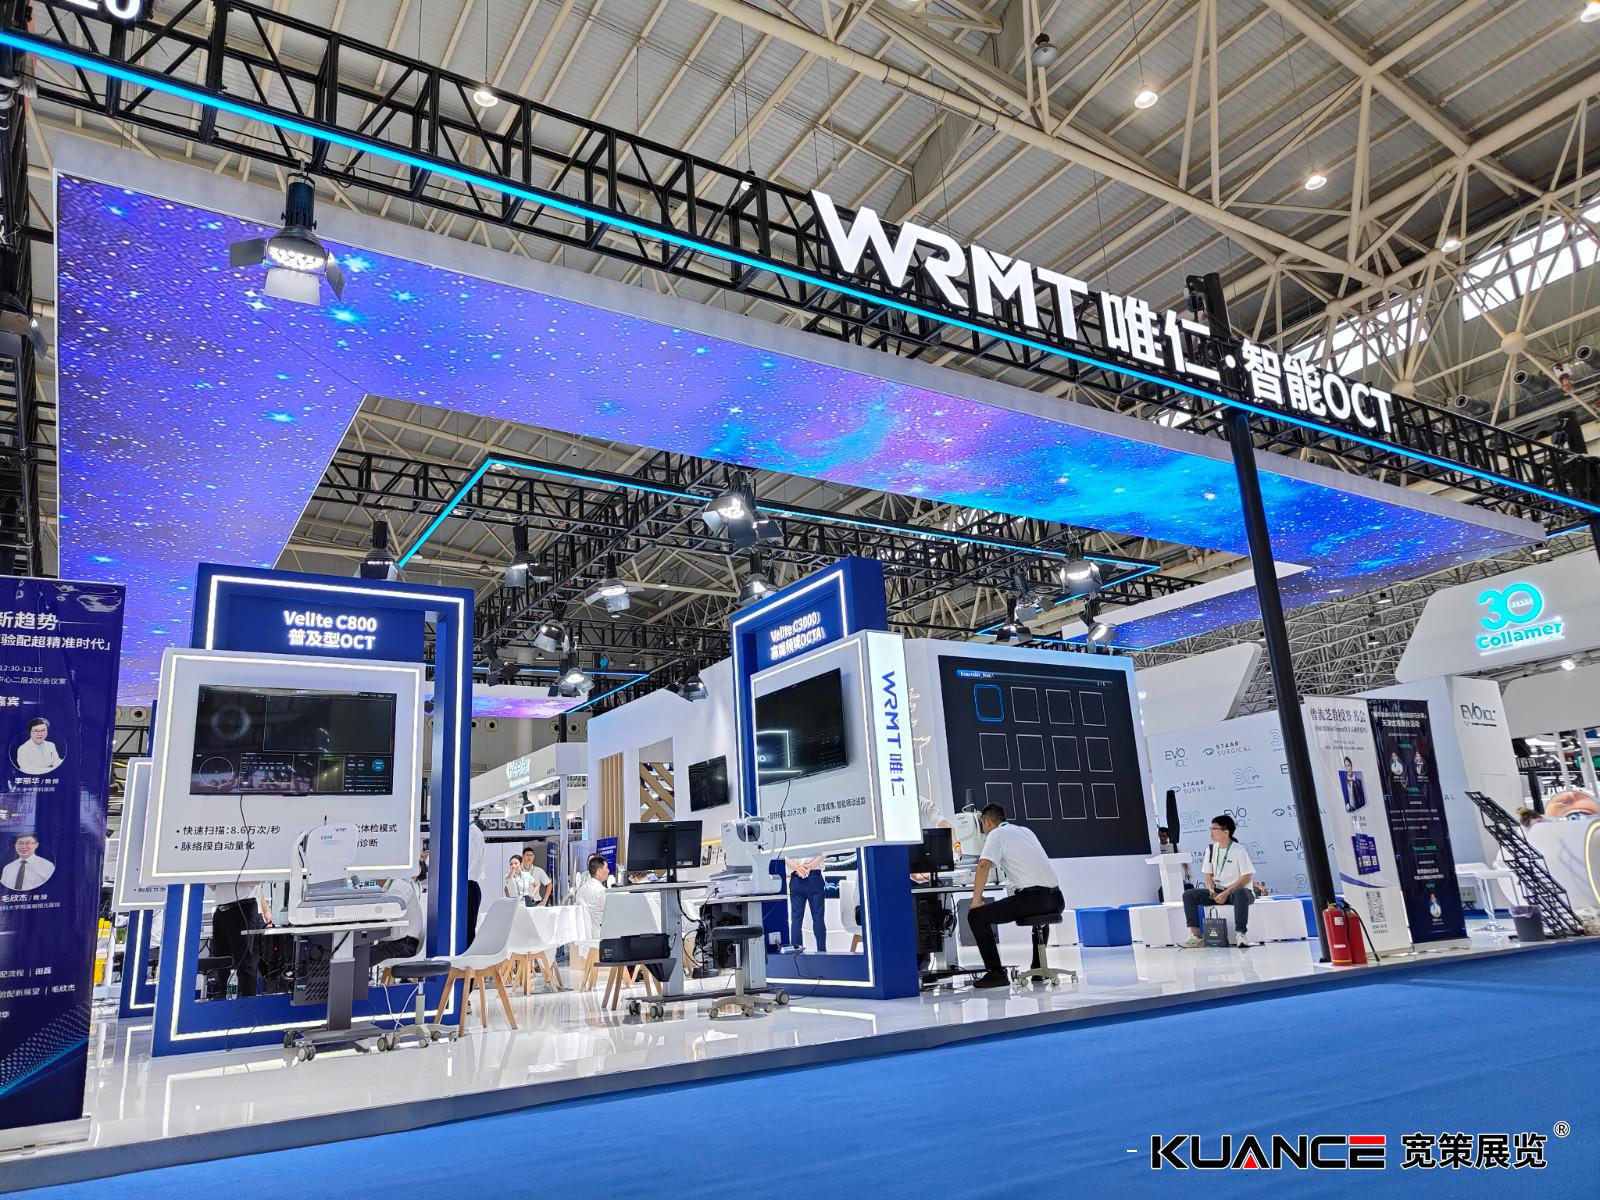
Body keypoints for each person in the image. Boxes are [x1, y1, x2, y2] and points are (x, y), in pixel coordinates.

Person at [965, 804, 1064, 989]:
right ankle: (1038, 968)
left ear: (987, 822)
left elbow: (984, 865)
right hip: (1057, 900)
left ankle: (996, 973)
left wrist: (976, 901)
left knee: (976, 916)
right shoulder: (1025, 831)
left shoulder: (996, 834)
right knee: (1039, 916)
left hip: (1033, 900)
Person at [1180, 815, 1256, 949]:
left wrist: (1227, 892)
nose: (1211, 832)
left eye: (1214, 828)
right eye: (1211, 828)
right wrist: (1211, 889)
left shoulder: (1238, 850)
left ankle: (1241, 934)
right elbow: (1208, 874)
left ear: (1226, 832)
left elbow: (1247, 876)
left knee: (1240, 893)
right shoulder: (1210, 849)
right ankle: (1196, 936)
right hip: (1218, 892)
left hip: (1237, 893)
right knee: (1189, 895)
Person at [371, 868, 425, 965]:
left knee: (362, 956)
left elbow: (387, 916)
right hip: (396, 943)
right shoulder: (391, 888)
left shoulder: (398, 888)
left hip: (403, 945)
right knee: (360, 953)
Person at [786, 852, 827, 952]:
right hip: (814, 878)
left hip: (796, 878)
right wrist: (809, 866)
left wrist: (797, 868)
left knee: (796, 919)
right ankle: (822, 952)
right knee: (818, 918)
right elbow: (824, 853)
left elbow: (784, 857)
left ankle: (796, 952)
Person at [574, 853, 609, 935]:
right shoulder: (602, 891)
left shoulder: (581, 890)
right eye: (606, 868)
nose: (608, 871)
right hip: (601, 932)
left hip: (585, 933)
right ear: (599, 871)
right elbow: (611, 913)